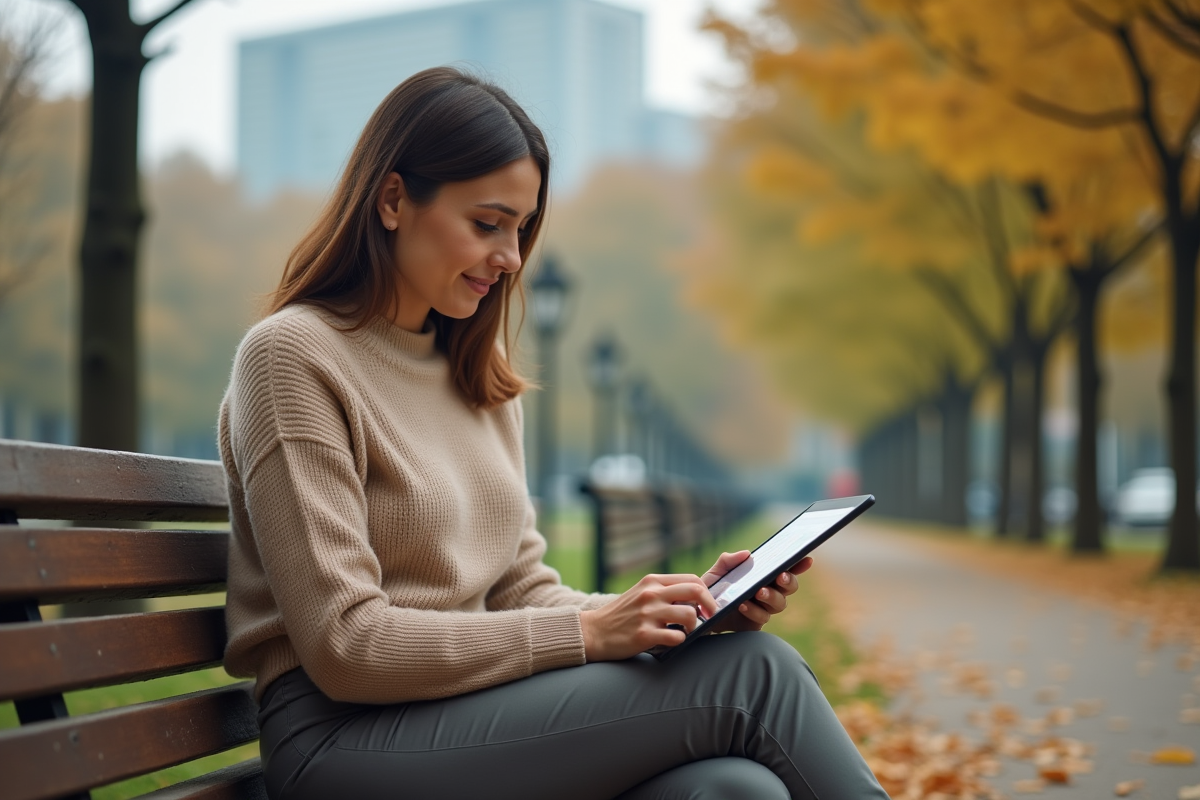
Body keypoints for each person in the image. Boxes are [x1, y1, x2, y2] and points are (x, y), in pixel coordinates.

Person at [219, 66, 889, 800]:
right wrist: (592, 634)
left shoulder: (476, 379)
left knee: (733, 789)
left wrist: (677, 611)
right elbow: (346, 644)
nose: (511, 258)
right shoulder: (294, 357)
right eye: (487, 224)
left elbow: (521, 591)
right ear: (393, 200)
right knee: (757, 678)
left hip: (465, 715)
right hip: (341, 741)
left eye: (521, 229)